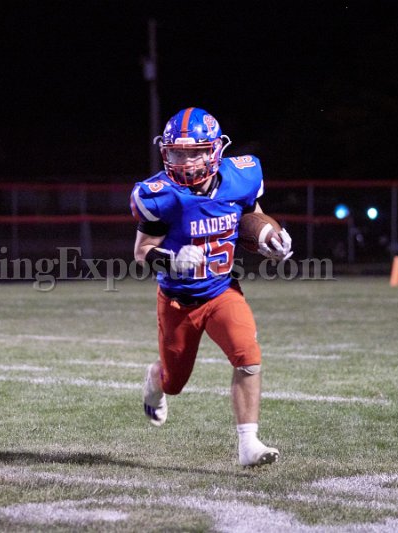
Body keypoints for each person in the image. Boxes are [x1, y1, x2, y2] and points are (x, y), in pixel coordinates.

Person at [130, 107, 291, 466]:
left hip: (221, 290)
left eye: (195, 152)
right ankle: (155, 378)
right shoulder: (160, 194)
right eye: (177, 152)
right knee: (174, 382)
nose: (185, 161)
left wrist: (271, 237)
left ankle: (248, 445)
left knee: (248, 356)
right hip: (178, 300)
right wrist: (173, 260)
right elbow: (142, 252)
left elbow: (251, 215)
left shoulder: (241, 177)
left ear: (215, 150)